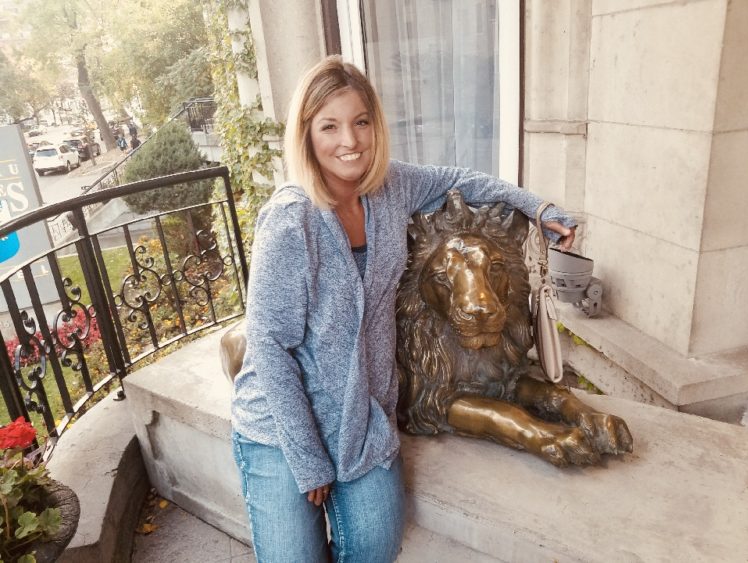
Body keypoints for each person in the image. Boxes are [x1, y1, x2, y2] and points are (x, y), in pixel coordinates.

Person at [231, 55, 576, 562]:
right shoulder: (290, 221)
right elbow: (269, 346)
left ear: (376, 126)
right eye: (330, 126)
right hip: (281, 425)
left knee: (375, 549)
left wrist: (540, 210)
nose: (349, 141)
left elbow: (462, 179)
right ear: (306, 136)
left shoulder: (391, 189)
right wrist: (309, 462)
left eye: (361, 122)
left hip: (364, 419)